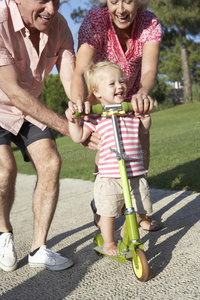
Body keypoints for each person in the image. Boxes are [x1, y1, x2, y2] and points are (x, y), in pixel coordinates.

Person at [68, 0, 162, 231]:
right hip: (101, 95)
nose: (120, 9)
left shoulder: (150, 22)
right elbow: (81, 70)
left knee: (140, 146)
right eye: (113, 1)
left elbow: (149, 70)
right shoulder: (96, 20)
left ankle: (139, 213)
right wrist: (79, 103)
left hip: (131, 95)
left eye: (128, 1)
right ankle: (103, 202)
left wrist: (142, 93)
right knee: (108, 151)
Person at [0, 0, 76, 272]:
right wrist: (66, 128)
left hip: (30, 107)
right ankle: (3, 232)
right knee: (4, 170)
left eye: (57, 0)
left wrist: (79, 107)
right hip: (2, 104)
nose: (52, 8)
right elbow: (13, 92)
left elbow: (70, 75)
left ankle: (38, 248)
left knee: (51, 163)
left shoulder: (60, 25)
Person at [67, 61, 155, 256]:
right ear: (97, 92)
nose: (120, 86)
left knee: (141, 210)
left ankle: (127, 234)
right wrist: (74, 120)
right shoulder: (97, 118)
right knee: (108, 212)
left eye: (122, 81)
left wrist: (145, 117)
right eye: (112, 83)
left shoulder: (131, 112)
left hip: (135, 173)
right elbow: (78, 136)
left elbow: (143, 130)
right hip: (109, 176)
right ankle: (108, 242)